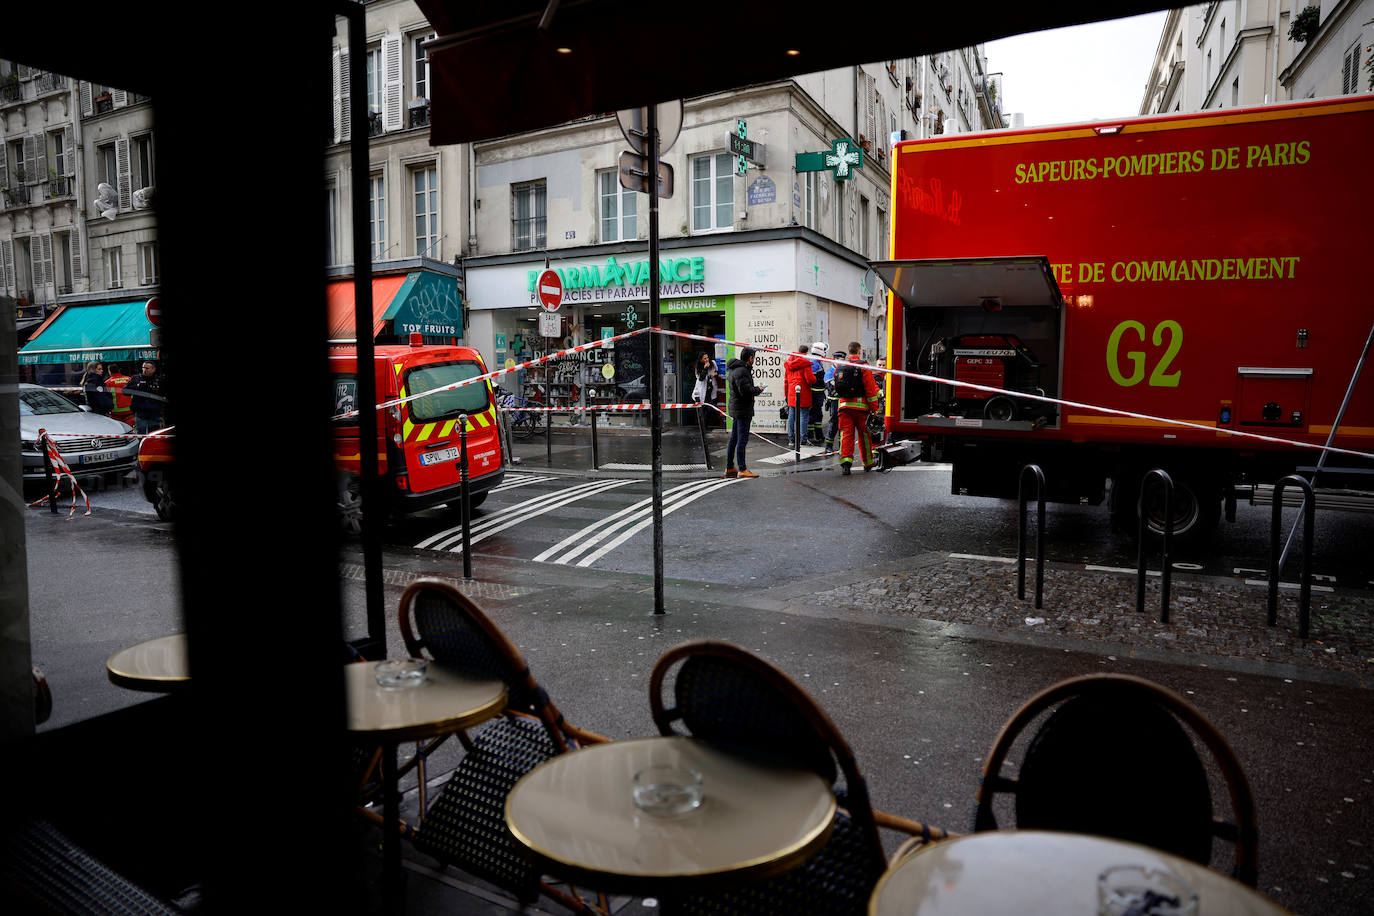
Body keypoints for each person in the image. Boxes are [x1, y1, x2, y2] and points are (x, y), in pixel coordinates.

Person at [833, 341, 881, 475]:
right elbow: (870, 389)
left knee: (846, 435)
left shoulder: (841, 365)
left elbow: (836, 385)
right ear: (859, 351)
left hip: (844, 407)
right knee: (864, 436)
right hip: (861, 408)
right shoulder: (864, 366)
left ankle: (846, 464)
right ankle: (867, 463)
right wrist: (874, 408)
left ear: (849, 351)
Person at [724, 346, 764, 479]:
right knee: (742, 439)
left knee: (734, 438)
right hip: (742, 409)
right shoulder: (742, 371)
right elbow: (745, 391)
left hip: (737, 408)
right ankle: (742, 469)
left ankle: (730, 467)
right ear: (750, 358)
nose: (754, 360)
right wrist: (758, 389)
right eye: (753, 358)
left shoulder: (736, 369)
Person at [783, 344, 815, 449]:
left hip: (792, 394)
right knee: (803, 416)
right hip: (803, 393)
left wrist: (786, 394)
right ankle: (803, 439)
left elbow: (786, 381)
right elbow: (810, 379)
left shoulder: (789, 363)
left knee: (791, 416)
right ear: (806, 353)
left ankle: (791, 439)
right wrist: (815, 379)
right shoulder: (806, 364)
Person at [125, 360, 165, 436]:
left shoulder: (158, 380)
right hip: (140, 413)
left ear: (153, 369)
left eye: (147, 368)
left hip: (154, 413)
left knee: (154, 436)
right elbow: (125, 391)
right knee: (141, 434)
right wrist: (137, 387)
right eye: (143, 368)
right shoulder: (136, 378)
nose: (144, 370)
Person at [807, 342, 828, 444]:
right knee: (812, 415)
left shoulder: (817, 362)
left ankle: (819, 435)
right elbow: (813, 380)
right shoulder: (814, 363)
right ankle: (810, 436)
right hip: (814, 395)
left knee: (818, 415)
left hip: (819, 394)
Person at [690, 351, 719, 424]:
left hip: (710, 389)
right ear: (701, 360)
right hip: (702, 390)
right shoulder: (698, 366)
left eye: (707, 358)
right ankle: (703, 425)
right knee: (702, 408)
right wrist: (705, 369)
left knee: (710, 408)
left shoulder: (713, 363)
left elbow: (717, 372)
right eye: (704, 358)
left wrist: (715, 374)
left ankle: (705, 423)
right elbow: (700, 378)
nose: (707, 360)